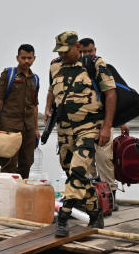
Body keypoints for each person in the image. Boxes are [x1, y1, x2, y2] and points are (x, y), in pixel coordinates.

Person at [45, 32, 116, 237]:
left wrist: (107, 127)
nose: (62, 55)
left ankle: (64, 217)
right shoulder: (54, 66)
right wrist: (48, 108)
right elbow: (52, 90)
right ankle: (95, 213)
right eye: (59, 51)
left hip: (89, 128)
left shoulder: (94, 64)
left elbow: (111, 93)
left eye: (66, 51)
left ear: (76, 46)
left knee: (78, 171)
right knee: (73, 174)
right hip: (64, 129)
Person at [78, 38, 129, 196]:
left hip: (103, 122)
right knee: (85, 160)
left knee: (104, 158)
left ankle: (110, 194)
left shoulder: (104, 68)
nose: (87, 55)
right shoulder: (75, 71)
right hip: (82, 123)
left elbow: (116, 96)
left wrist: (121, 122)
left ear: (95, 50)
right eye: (83, 52)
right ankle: (91, 193)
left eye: (90, 51)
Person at [0, 44, 40, 178]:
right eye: (23, 58)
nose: (26, 61)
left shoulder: (35, 79)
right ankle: (6, 195)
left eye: (29, 58)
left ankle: (22, 193)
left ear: (34, 58)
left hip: (28, 128)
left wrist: (36, 129)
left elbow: (34, 106)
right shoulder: (9, 75)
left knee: (26, 162)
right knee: (8, 163)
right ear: (17, 58)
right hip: (9, 126)